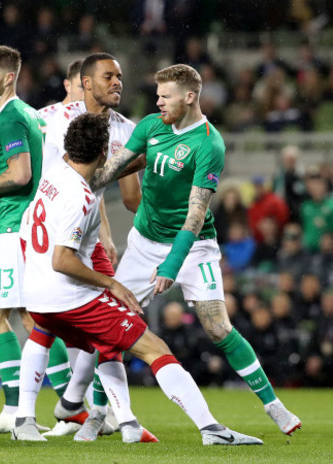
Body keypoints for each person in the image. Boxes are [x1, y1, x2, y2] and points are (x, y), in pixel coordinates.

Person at [15, 112, 262, 445]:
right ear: (103, 153)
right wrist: (112, 283)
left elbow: (30, 231)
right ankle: (212, 430)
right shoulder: (82, 198)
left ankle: (103, 415)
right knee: (154, 349)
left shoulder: (53, 175)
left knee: (108, 345)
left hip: (38, 298)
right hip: (70, 299)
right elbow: (62, 260)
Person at [90, 64, 301, 436]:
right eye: (157, 96)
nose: (158, 103)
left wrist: (173, 263)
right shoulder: (151, 126)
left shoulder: (209, 143)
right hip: (142, 244)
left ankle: (274, 406)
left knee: (219, 327)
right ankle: (99, 414)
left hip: (194, 248)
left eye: (165, 96)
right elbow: (108, 172)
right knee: (112, 329)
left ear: (189, 97)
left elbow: (195, 213)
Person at [19, 52, 147, 442]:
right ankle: (27, 416)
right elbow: (23, 156)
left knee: (104, 324)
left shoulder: (127, 129)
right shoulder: (53, 117)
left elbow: (127, 199)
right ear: (86, 82)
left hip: (86, 231)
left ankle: (87, 408)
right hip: (46, 231)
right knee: (45, 321)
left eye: (120, 76)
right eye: (109, 76)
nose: (117, 83)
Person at [0, 43, 68, 434]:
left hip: (16, 227)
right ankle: (17, 406)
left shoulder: (9, 116)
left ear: (7, 77)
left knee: (30, 317)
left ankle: (74, 404)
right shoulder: (26, 113)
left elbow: (23, 175)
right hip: (27, 226)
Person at [37, 59, 84, 124]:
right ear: (68, 85)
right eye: (81, 87)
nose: (87, 93)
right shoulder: (44, 118)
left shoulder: (98, 120)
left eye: (92, 88)